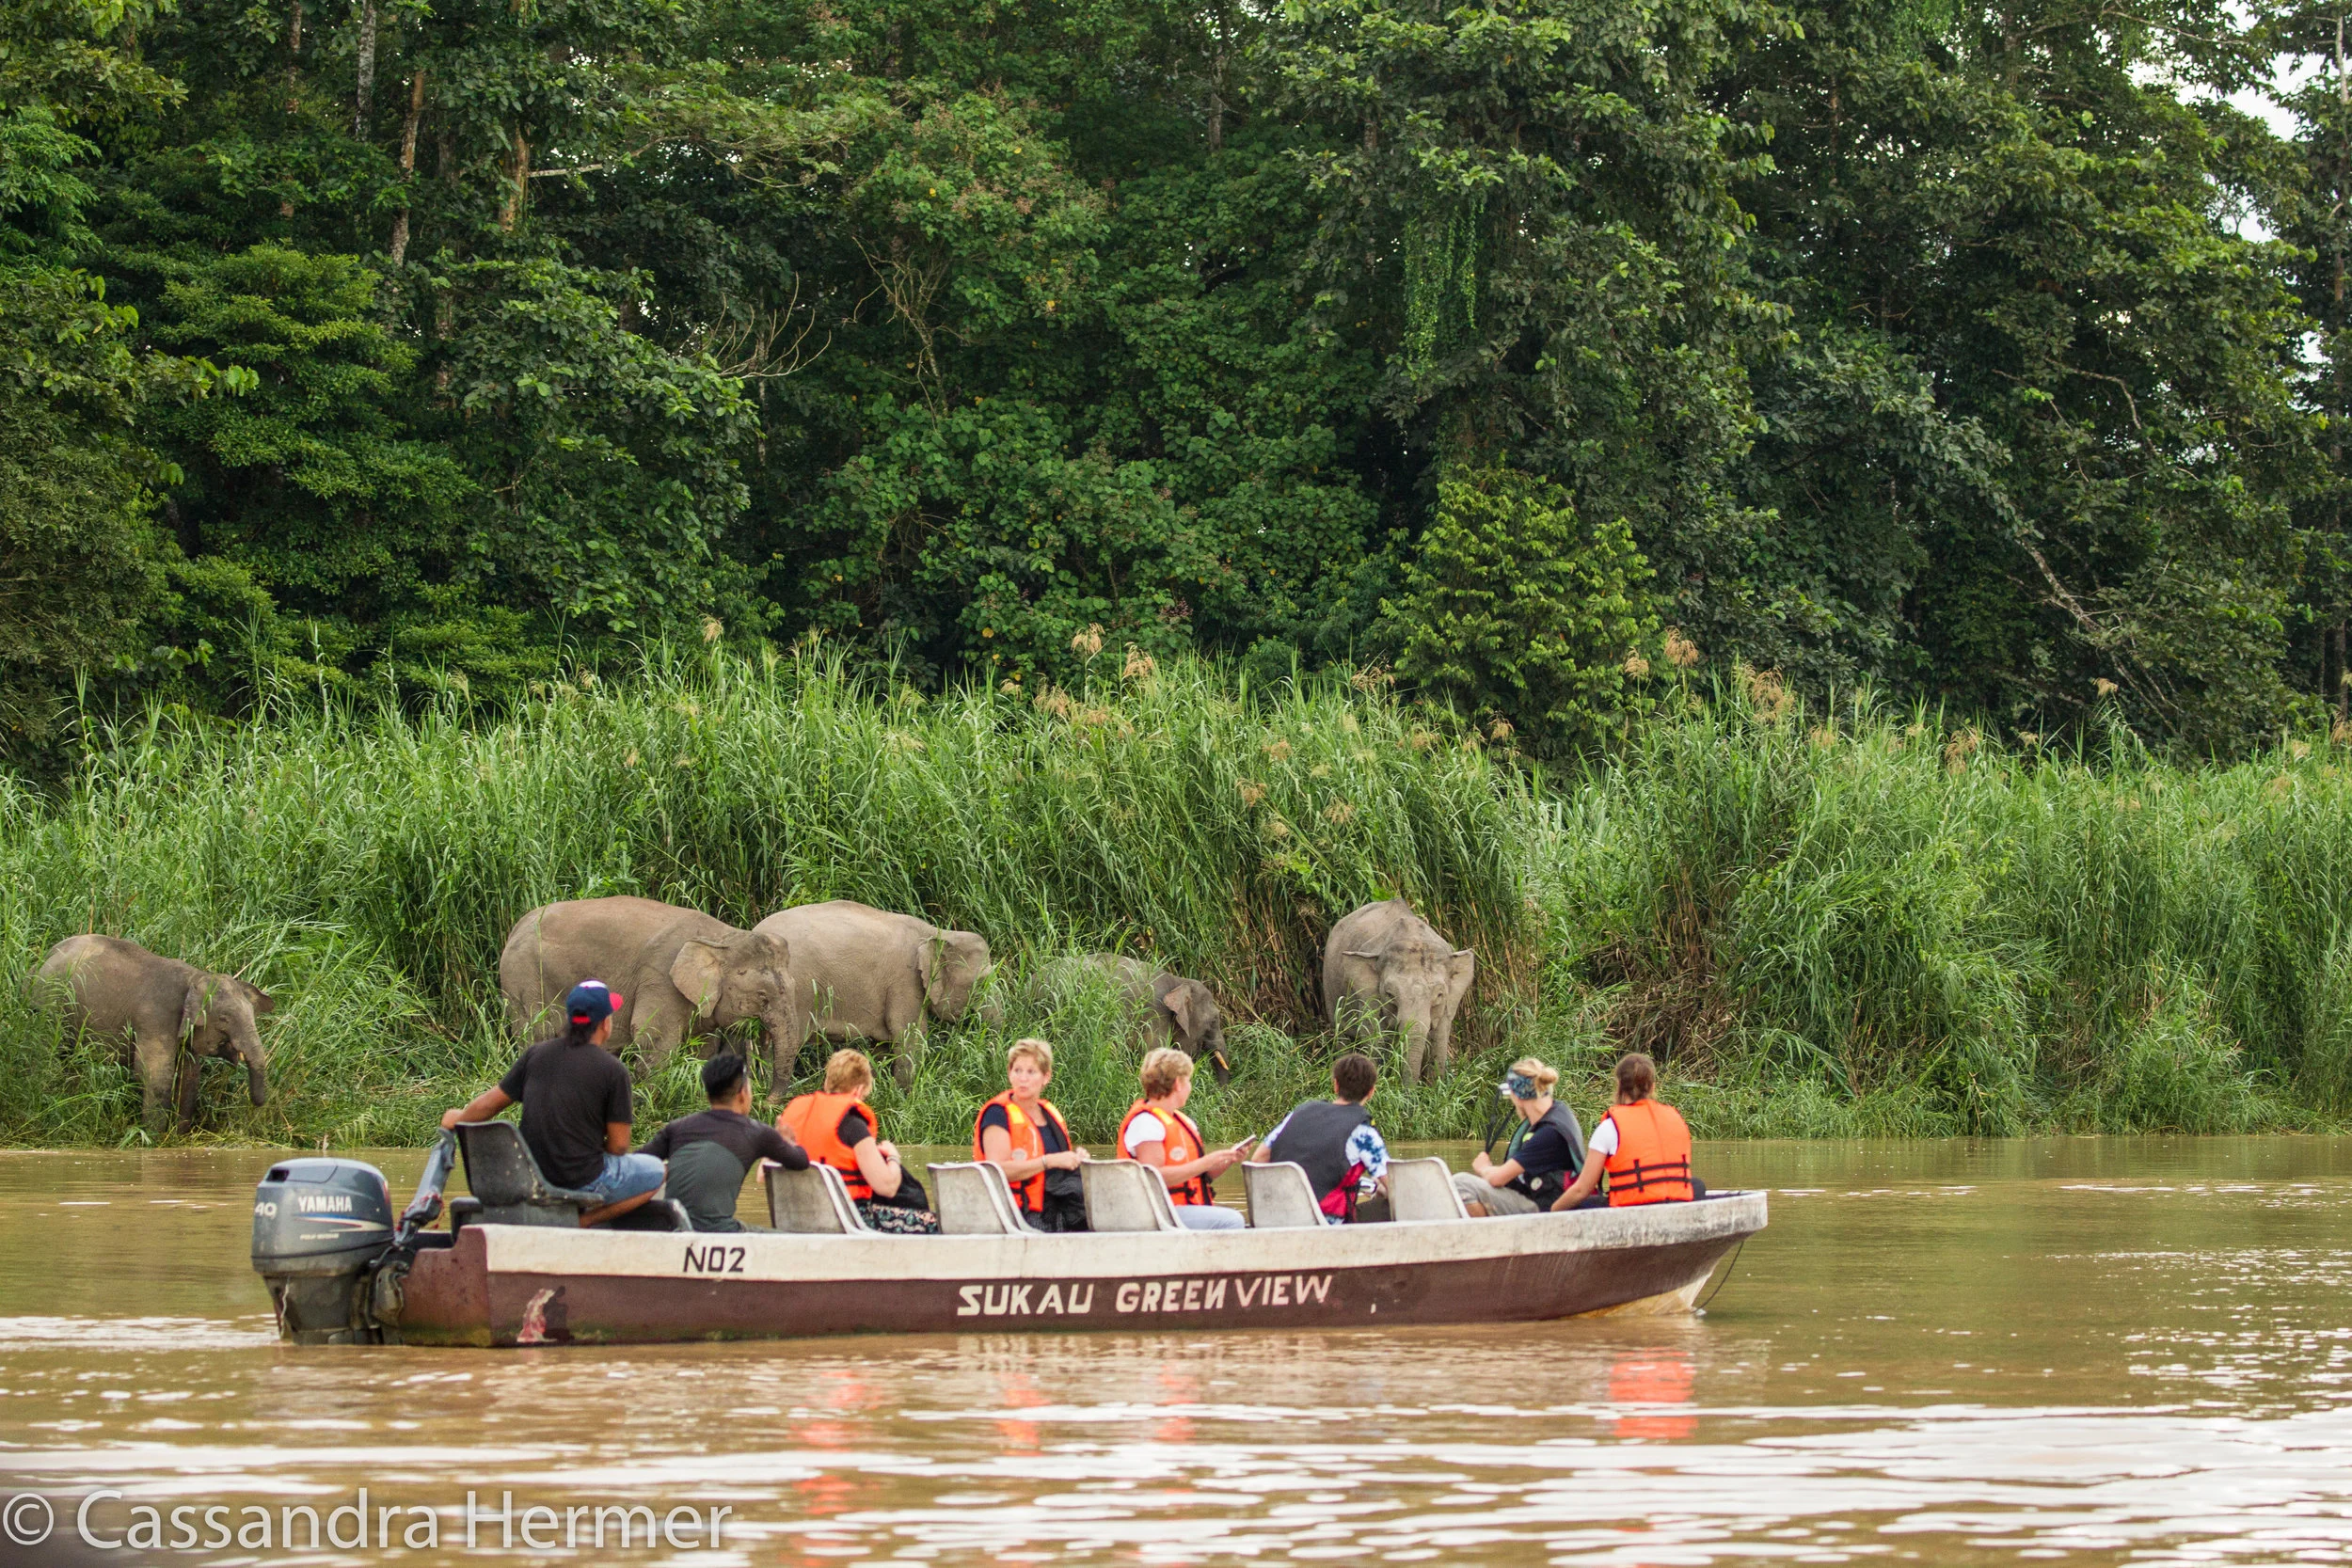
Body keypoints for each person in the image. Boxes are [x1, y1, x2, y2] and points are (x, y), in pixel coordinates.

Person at [440, 979, 665, 1225]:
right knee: (656, 1171)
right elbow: (620, 1146)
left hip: (530, 1176)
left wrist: (458, 1118)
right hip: (583, 1180)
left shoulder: (536, 1055)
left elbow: (488, 1105)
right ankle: (584, 1222)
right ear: (604, 1023)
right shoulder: (614, 1070)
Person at [639, 1052, 808, 1231]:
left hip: (672, 1228)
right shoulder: (757, 1132)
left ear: (708, 1095)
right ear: (742, 1094)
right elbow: (800, 1161)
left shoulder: (677, 1128)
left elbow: (638, 1162)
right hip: (721, 1233)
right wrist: (786, 1141)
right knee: (789, 1239)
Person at [780, 1049, 940, 1234]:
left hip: (797, 1217)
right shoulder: (853, 1125)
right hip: (847, 1220)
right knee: (935, 1223)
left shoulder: (792, 1117)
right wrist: (893, 1157)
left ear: (828, 1082)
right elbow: (887, 1187)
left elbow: (763, 1173)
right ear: (859, 1090)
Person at [1120, 1048, 1249, 1230]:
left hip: (1181, 1206)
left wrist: (1226, 1160)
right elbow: (1155, 1178)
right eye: (1188, 1081)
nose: (1189, 1086)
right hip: (1156, 1212)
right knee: (1231, 1220)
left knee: (1231, 1218)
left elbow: (1198, 1175)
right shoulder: (1147, 1123)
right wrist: (1206, 1162)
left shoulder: (1182, 1121)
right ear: (1179, 1084)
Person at [1550, 1053, 1696, 1211]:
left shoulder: (1610, 1127)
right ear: (1653, 1086)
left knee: (1583, 1200)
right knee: (1697, 1185)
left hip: (1635, 1209)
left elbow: (1581, 1190)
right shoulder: (1676, 1118)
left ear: (1619, 1085)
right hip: (1679, 1205)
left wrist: (1552, 1212)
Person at [1257, 1052, 1390, 1223]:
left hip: (1275, 1217)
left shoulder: (1299, 1113)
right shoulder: (1364, 1132)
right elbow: (1396, 1188)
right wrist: (1382, 1191)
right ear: (1371, 1092)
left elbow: (1259, 1158)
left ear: (1335, 1085)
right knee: (1391, 1206)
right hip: (1324, 1222)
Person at [975, 1037, 1088, 1232]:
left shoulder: (1049, 1112)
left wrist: (1076, 1159)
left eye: (1031, 1072)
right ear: (1009, 1074)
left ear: (1046, 1077)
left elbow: (1060, 1165)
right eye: (1017, 1071)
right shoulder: (998, 1114)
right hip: (1020, 1213)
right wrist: (1048, 1161)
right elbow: (997, 1170)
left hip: (1059, 1204)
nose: (1023, 1078)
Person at [1454, 1056, 1585, 1218]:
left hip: (1547, 1211)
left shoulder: (1548, 1134)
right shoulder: (1558, 1113)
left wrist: (1483, 1168)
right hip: (1539, 1197)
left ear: (1517, 1096)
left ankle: (1491, 1240)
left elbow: (1497, 1179)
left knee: (1461, 1184)